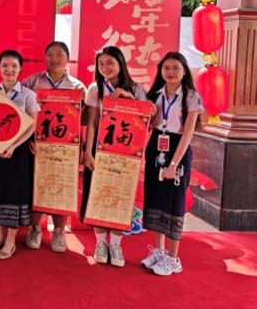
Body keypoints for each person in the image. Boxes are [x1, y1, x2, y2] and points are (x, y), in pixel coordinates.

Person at [82, 46, 149, 267]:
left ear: (120, 63)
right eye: (101, 64)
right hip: (100, 151)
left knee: (122, 197)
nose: (105, 68)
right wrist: (88, 152)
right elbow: (92, 123)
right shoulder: (96, 88)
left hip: (125, 153)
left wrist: (129, 99)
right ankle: (101, 243)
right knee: (98, 196)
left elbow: (146, 119)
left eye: (110, 62)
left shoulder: (137, 89)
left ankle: (116, 245)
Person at [21, 41, 86, 253]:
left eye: (59, 54)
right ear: (45, 57)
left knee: (62, 186)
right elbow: (20, 111)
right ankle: (35, 228)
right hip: (37, 145)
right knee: (36, 184)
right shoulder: (31, 82)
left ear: (67, 58)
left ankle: (58, 231)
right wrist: (27, 138)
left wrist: (83, 102)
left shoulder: (78, 86)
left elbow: (85, 120)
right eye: (50, 54)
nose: (55, 59)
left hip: (66, 148)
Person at [141, 52, 202, 276]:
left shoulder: (191, 96)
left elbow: (188, 133)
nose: (170, 72)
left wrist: (174, 164)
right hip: (156, 146)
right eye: (166, 68)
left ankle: (173, 258)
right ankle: (159, 251)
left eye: (175, 68)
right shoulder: (154, 94)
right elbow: (146, 125)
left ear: (184, 71)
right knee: (155, 198)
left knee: (175, 201)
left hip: (178, 149)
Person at [0, 50, 39, 260]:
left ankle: (11, 241)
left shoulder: (28, 95)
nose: (9, 70)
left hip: (18, 151)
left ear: (20, 68)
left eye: (14, 66)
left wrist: (13, 146)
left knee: (15, 194)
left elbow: (32, 125)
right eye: (5, 65)